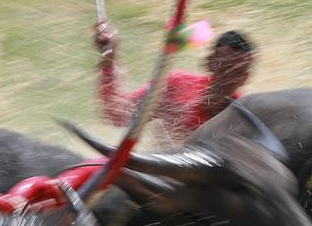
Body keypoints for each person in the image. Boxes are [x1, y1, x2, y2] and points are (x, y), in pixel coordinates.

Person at [94, 23, 255, 140]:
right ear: (208, 62)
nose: (228, 77)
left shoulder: (243, 117)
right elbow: (115, 115)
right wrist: (109, 60)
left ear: (245, 78)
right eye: (223, 66)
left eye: (237, 73)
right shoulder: (176, 85)